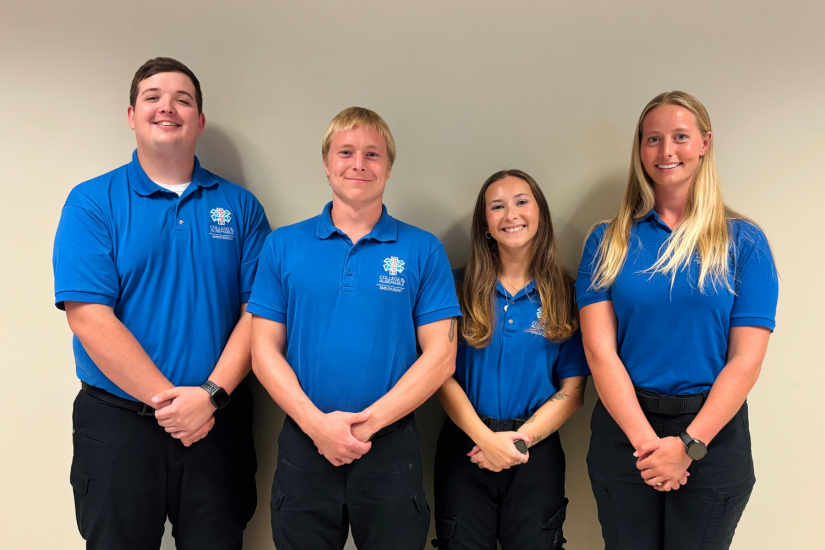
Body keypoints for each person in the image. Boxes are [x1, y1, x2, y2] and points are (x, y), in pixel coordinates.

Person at [53, 57, 270, 550]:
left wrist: (208, 397)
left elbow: (257, 314)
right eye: (152, 97)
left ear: (200, 120)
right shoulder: (92, 202)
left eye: (182, 100)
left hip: (218, 422)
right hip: (118, 426)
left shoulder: (240, 207)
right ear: (132, 115)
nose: (167, 107)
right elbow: (89, 318)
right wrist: (173, 406)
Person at [248, 106, 461, 550]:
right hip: (305, 444)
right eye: (345, 152)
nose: (358, 164)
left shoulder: (423, 249)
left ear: (389, 167)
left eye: (372, 154)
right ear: (327, 164)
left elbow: (441, 357)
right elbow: (263, 350)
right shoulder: (282, 245)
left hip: (389, 450)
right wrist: (317, 426)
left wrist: (363, 428)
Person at [576, 91, 779, 550]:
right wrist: (648, 446)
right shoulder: (607, 241)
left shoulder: (744, 241)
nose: (666, 151)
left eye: (680, 137)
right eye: (653, 139)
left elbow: (746, 361)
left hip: (712, 436)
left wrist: (688, 445)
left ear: (705, 143)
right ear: (640, 148)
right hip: (626, 431)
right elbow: (599, 352)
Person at [431, 170, 589, 550]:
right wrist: (486, 440)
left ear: (540, 213)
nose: (511, 214)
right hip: (467, 447)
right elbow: (439, 376)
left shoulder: (566, 294)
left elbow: (574, 390)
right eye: (497, 206)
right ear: (485, 224)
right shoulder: (456, 288)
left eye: (521, 202)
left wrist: (519, 444)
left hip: (536, 450)